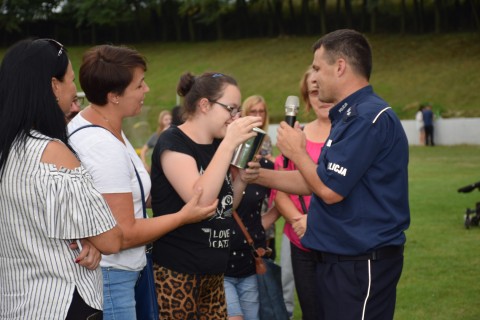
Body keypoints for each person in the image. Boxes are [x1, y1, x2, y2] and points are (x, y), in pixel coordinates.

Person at [248, 29, 410, 320]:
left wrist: (297, 152)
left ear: (340, 67)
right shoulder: (349, 117)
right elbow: (314, 180)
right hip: (339, 262)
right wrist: (256, 175)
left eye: (317, 67)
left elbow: (329, 190)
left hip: (360, 264)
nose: (314, 76)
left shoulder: (366, 117)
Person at [68, 45, 218, 320]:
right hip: (114, 277)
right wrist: (183, 216)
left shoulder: (105, 129)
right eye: (139, 85)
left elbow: (127, 198)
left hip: (122, 273)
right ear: (114, 96)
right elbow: (124, 232)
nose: (147, 90)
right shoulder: (101, 145)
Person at [0, 39, 123, 319]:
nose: (73, 90)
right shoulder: (52, 153)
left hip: (13, 303)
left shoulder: (6, 151)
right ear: (54, 86)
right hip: (61, 300)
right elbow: (111, 240)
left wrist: (87, 238)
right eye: (70, 80)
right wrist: (94, 239)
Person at [150, 71, 262, 319]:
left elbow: (225, 207)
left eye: (238, 110)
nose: (236, 117)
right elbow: (200, 202)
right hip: (178, 273)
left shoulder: (215, 145)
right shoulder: (173, 141)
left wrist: (241, 179)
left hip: (213, 273)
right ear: (204, 105)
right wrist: (229, 144)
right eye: (231, 109)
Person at [266, 68, 334, 320]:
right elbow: (279, 189)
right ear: (306, 98)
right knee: (311, 311)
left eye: (324, 90)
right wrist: (297, 221)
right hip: (301, 241)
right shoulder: (295, 135)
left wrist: (314, 220)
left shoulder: (347, 134)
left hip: (336, 241)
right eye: (314, 92)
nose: (321, 97)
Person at [223, 95, 275, 320]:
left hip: (251, 262)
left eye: (261, 112)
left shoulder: (265, 167)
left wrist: (266, 221)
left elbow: (283, 198)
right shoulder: (219, 165)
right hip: (221, 264)